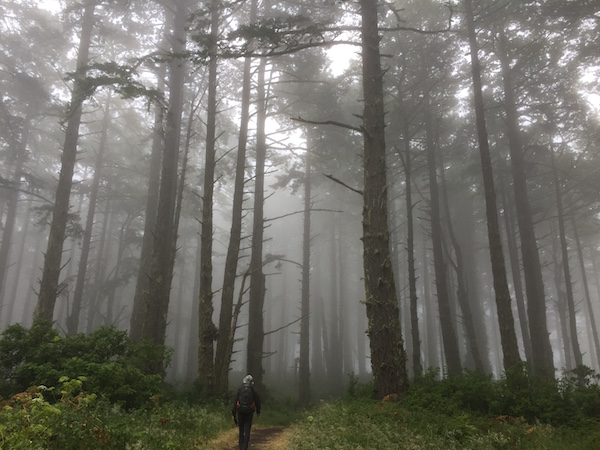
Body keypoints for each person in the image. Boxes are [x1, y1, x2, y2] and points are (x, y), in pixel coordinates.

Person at [232, 374, 261, 450]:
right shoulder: (252, 390)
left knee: (241, 430)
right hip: (249, 413)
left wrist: (233, 413)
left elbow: (235, 401)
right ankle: (245, 447)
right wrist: (258, 411)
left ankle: (240, 447)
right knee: (247, 431)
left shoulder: (240, 389)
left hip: (240, 412)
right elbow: (257, 401)